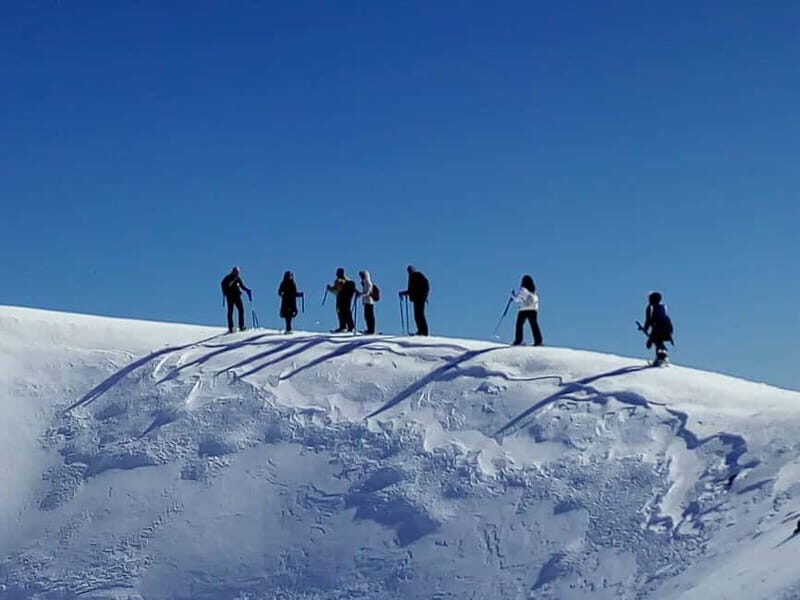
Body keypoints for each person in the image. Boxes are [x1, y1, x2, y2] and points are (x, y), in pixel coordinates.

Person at [641, 291, 674, 365]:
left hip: (661, 328)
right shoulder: (654, 307)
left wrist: (650, 337)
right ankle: (660, 357)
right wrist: (645, 328)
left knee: (657, 342)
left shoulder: (656, 308)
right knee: (657, 342)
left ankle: (662, 357)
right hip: (663, 328)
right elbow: (649, 320)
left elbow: (653, 321)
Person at [511, 275, 543, 346]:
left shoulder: (523, 289)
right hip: (534, 309)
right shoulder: (533, 292)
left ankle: (518, 340)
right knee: (534, 325)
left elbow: (517, 299)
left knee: (519, 324)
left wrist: (512, 295)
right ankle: (538, 341)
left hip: (524, 309)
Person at [220, 266, 252, 333]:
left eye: (238, 272)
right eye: (236, 272)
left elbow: (242, 286)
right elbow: (222, 284)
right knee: (231, 311)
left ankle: (239, 326)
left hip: (235, 296)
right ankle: (233, 327)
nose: (237, 273)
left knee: (239, 310)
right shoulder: (228, 278)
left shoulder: (237, 278)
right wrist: (225, 292)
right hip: (231, 296)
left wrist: (247, 290)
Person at [399, 265, 429, 336]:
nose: (409, 272)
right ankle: (421, 330)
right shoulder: (416, 276)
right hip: (419, 298)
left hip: (419, 299)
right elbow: (412, 290)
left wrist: (406, 293)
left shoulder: (415, 276)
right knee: (418, 315)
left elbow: (413, 290)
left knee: (419, 315)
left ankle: (423, 331)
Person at [326, 267, 356, 332]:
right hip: (346, 299)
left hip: (341, 299)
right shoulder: (348, 281)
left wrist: (330, 289)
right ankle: (348, 326)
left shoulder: (340, 281)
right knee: (346, 312)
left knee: (342, 312)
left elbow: (336, 291)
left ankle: (344, 326)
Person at [358, 270, 377, 334]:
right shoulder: (365, 283)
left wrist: (361, 294)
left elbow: (367, 293)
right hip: (366, 302)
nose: (361, 277)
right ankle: (369, 329)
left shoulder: (368, 283)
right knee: (367, 316)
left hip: (369, 301)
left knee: (370, 316)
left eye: (362, 276)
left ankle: (371, 330)